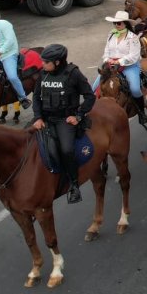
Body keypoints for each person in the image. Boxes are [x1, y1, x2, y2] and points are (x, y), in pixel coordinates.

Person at [32, 44, 95, 204]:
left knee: (67, 150)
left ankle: (73, 185)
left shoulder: (73, 74)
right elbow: (36, 97)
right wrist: (38, 117)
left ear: (58, 62)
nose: (43, 65)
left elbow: (90, 96)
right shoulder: (43, 74)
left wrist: (78, 116)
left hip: (64, 120)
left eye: (46, 62)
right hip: (45, 119)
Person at [92, 10, 145, 122]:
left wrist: (119, 61)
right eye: (115, 23)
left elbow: (134, 55)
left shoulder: (133, 37)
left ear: (125, 23)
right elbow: (106, 50)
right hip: (111, 65)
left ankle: (142, 113)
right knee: (94, 87)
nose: (116, 25)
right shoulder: (111, 34)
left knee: (135, 89)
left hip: (129, 66)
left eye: (119, 23)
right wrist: (107, 59)